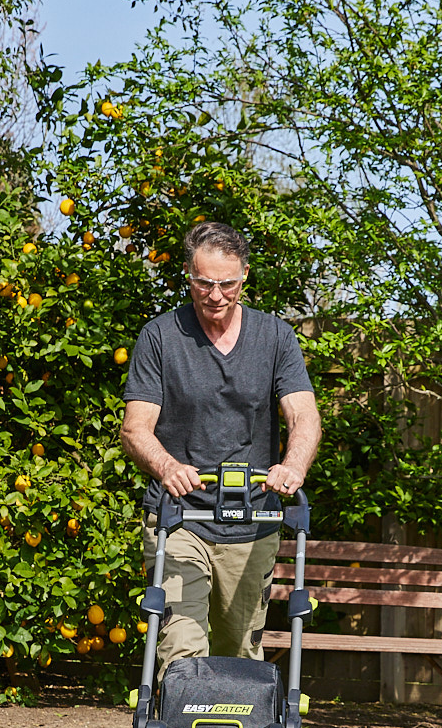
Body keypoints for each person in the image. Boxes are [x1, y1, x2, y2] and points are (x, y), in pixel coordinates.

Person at [120, 220, 321, 674]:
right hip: (180, 516)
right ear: (189, 277)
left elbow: (303, 416)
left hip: (253, 521)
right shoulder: (161, 336)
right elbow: (136, 428)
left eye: (226, 283)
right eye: (204, 283)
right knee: (181, 646)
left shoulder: (275, 337)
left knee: (239, 658)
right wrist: (167, 466)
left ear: (244, 275)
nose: (215, 294)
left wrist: (292, 466)